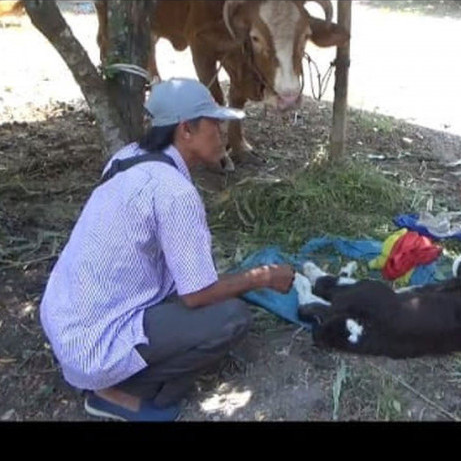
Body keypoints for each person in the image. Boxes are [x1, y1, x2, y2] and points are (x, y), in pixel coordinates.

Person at [39, 78, 295, 421]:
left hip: (66, 320)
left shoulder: (129, 156)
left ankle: (114, 376)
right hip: (95, 343)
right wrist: (261, 278)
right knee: (230, 319)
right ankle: (119, 391)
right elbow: (197, 296)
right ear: (185, 130)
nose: (222, 132)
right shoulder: (175, 193)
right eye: (214, 124)